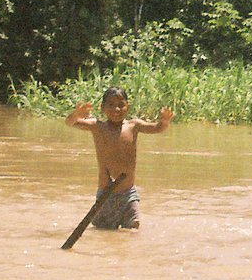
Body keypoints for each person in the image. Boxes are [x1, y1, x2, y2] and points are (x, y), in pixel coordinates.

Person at [65, 87, 173, 231]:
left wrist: (165, 121)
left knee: (133, 229)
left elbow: (158, 128)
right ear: (102, 108)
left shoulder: (134, 126)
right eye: (110, 105)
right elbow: (69, 123)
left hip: (128, 193)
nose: (116, 109)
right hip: (105, 194)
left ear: (127, 106)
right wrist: (76, 115)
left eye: (121, 105)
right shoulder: (98, 127)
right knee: (103, 233)